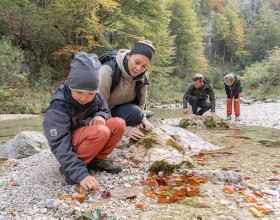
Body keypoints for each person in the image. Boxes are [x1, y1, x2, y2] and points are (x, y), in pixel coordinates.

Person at [43, 52, 126, 191]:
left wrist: (100, 115)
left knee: (119, 123)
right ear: (71, 85)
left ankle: (95, 161)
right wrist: (80, 175)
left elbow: (106, 111)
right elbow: (58, 143)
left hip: (86, 134)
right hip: (70, 142)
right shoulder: (58, 106)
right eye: (79, 92)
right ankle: (71, 170)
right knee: (101, 131)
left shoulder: (96, 96)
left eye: (90, 93)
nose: (84, 97)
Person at [99, 40, 155, 140]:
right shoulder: (107, 71)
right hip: (100, 111)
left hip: (118, 110)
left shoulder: (142, 78)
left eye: (144, 66)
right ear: (129, 55)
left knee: (137, 114)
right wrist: (125, 130)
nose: (138, 69)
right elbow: (98, 107)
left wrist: (144, 120)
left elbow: (142, 103)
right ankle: (112, 128)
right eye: (137, 62)